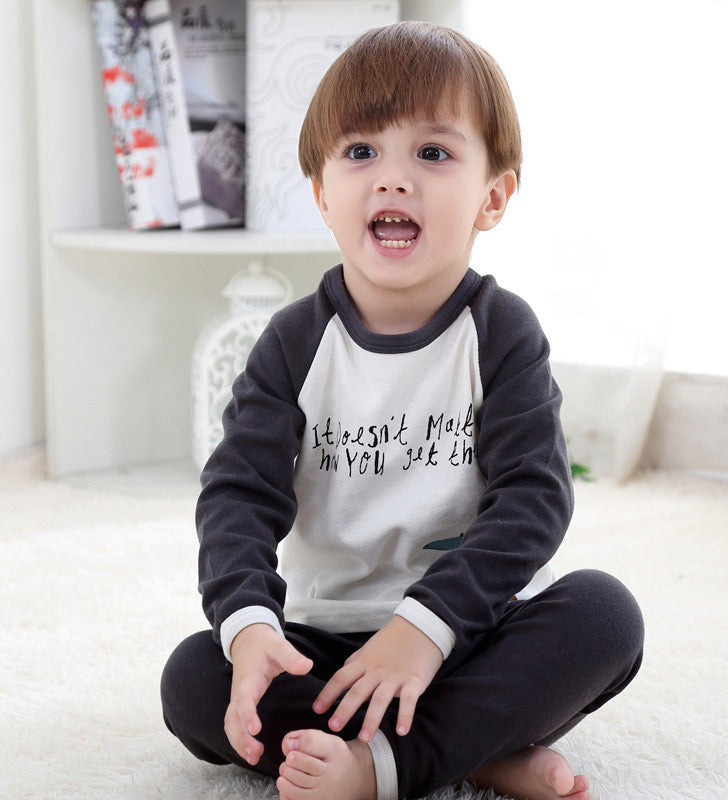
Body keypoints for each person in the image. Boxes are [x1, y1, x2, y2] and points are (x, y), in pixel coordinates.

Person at [161, 21, 644, 800]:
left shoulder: (502, 333)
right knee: (194, 680)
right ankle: (478, 751)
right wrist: (250, 625)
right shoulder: (292, 342)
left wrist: (423, 632)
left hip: (470, 632)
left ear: (494, 196)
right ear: (322, 194)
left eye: (432, 152)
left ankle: (389, 767)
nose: (392, 179)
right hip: (331, 647)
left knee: (605, 617)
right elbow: (238, 496)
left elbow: (534, 500)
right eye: (360, 153)